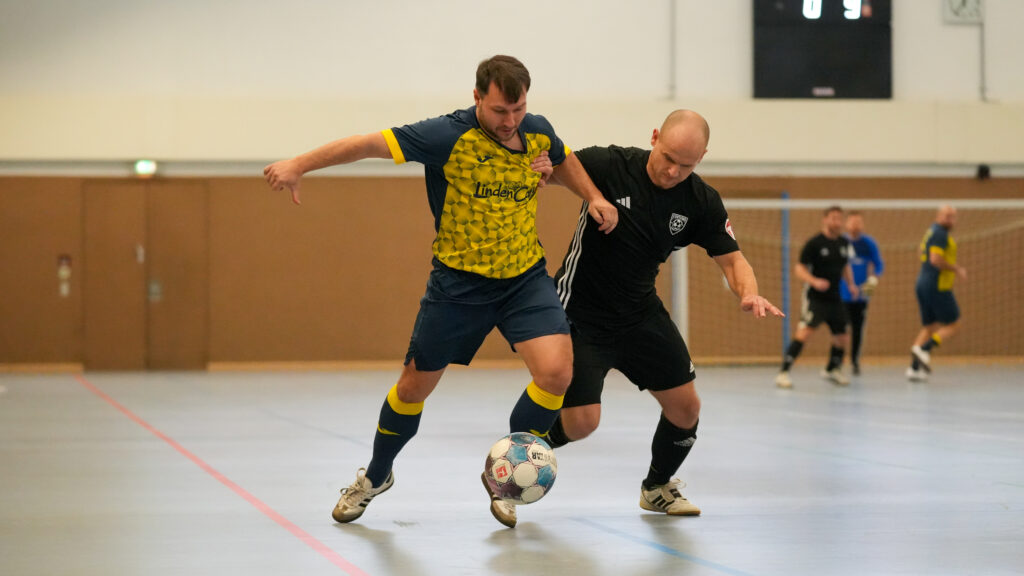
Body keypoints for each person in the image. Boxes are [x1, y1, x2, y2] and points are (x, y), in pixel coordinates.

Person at [263, 55, 619, 528]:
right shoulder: (445, 135)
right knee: (412, 388)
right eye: (498, 111)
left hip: (524, 279)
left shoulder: (535, 130)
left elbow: (563, 156)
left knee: (556, 374)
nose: (509, 121)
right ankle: (375, 475)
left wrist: (592, 196)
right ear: (476, 98)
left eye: (517, 110)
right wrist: (299, 164)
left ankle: (507, 478)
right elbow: (367, 143)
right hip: (459, 285)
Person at [535, 109, 783, 516]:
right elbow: (557, 168)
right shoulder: (610, 165)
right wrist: (543, 169)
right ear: (654, 137)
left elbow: (734, 262)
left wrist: (749, 293)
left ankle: (657, 487)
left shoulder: (700, 200)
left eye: (685, 164)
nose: (672, 171)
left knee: (686, 408)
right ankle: (526, 451)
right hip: (580, 311)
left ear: (701, 158)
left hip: (639, 314)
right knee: (582, 423)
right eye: (667, 157)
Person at [775, 206, 859, 388]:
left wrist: (851, 284)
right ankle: (784, 372)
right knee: (804, 332)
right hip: (816, 299)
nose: (837, 222)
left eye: (839, 219)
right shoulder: (814, 243)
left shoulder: (844, 244)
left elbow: (845, 266)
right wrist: (814, 281)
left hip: (835, 298)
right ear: (825, 220)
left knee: (843, 336)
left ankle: (832, 369)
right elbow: (799, 268)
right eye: (833, 218)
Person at [907, 205, 966, 382]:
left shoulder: (930, 231)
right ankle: (924, 349)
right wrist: (956, 269)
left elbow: (920, 252)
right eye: (947, 216)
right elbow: (935, 259)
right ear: (938, 216)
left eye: (953, 216)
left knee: (929, 326)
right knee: (954, 324)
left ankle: (914, 368)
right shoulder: (940, 233)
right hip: (937, 285)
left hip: (922, 282)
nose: (950, 220)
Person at [839, 211, 884, 376]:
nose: (855, 226)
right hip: (841, 294)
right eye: (852, 222)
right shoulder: (841, 242)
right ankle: (837, 361)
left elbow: (879, 265)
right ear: (847, 224)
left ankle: (855, 361)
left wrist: (873, 279)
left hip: (860, 296)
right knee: (841, 329)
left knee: (857, 329)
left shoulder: (868, 244)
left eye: (858, 222)